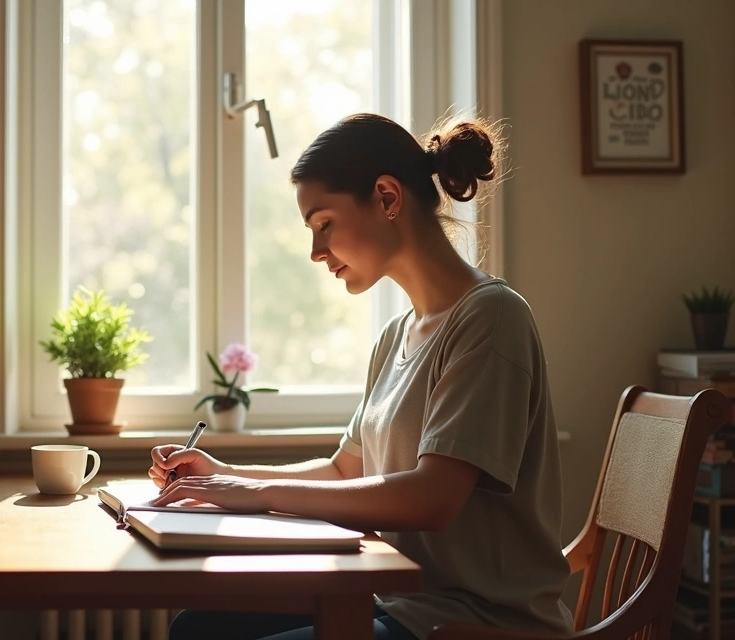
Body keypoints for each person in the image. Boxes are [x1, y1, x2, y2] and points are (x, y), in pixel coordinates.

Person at [150, 113, 573, 640]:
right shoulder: (396, 336)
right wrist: (221, 474)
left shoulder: (492, 318)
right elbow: (345, 472)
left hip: (474, 623)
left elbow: (432, 499)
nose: (315, 251)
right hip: (398, 602)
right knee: (197, 630)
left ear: (387, 198)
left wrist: (254, 490)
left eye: (324, 223)